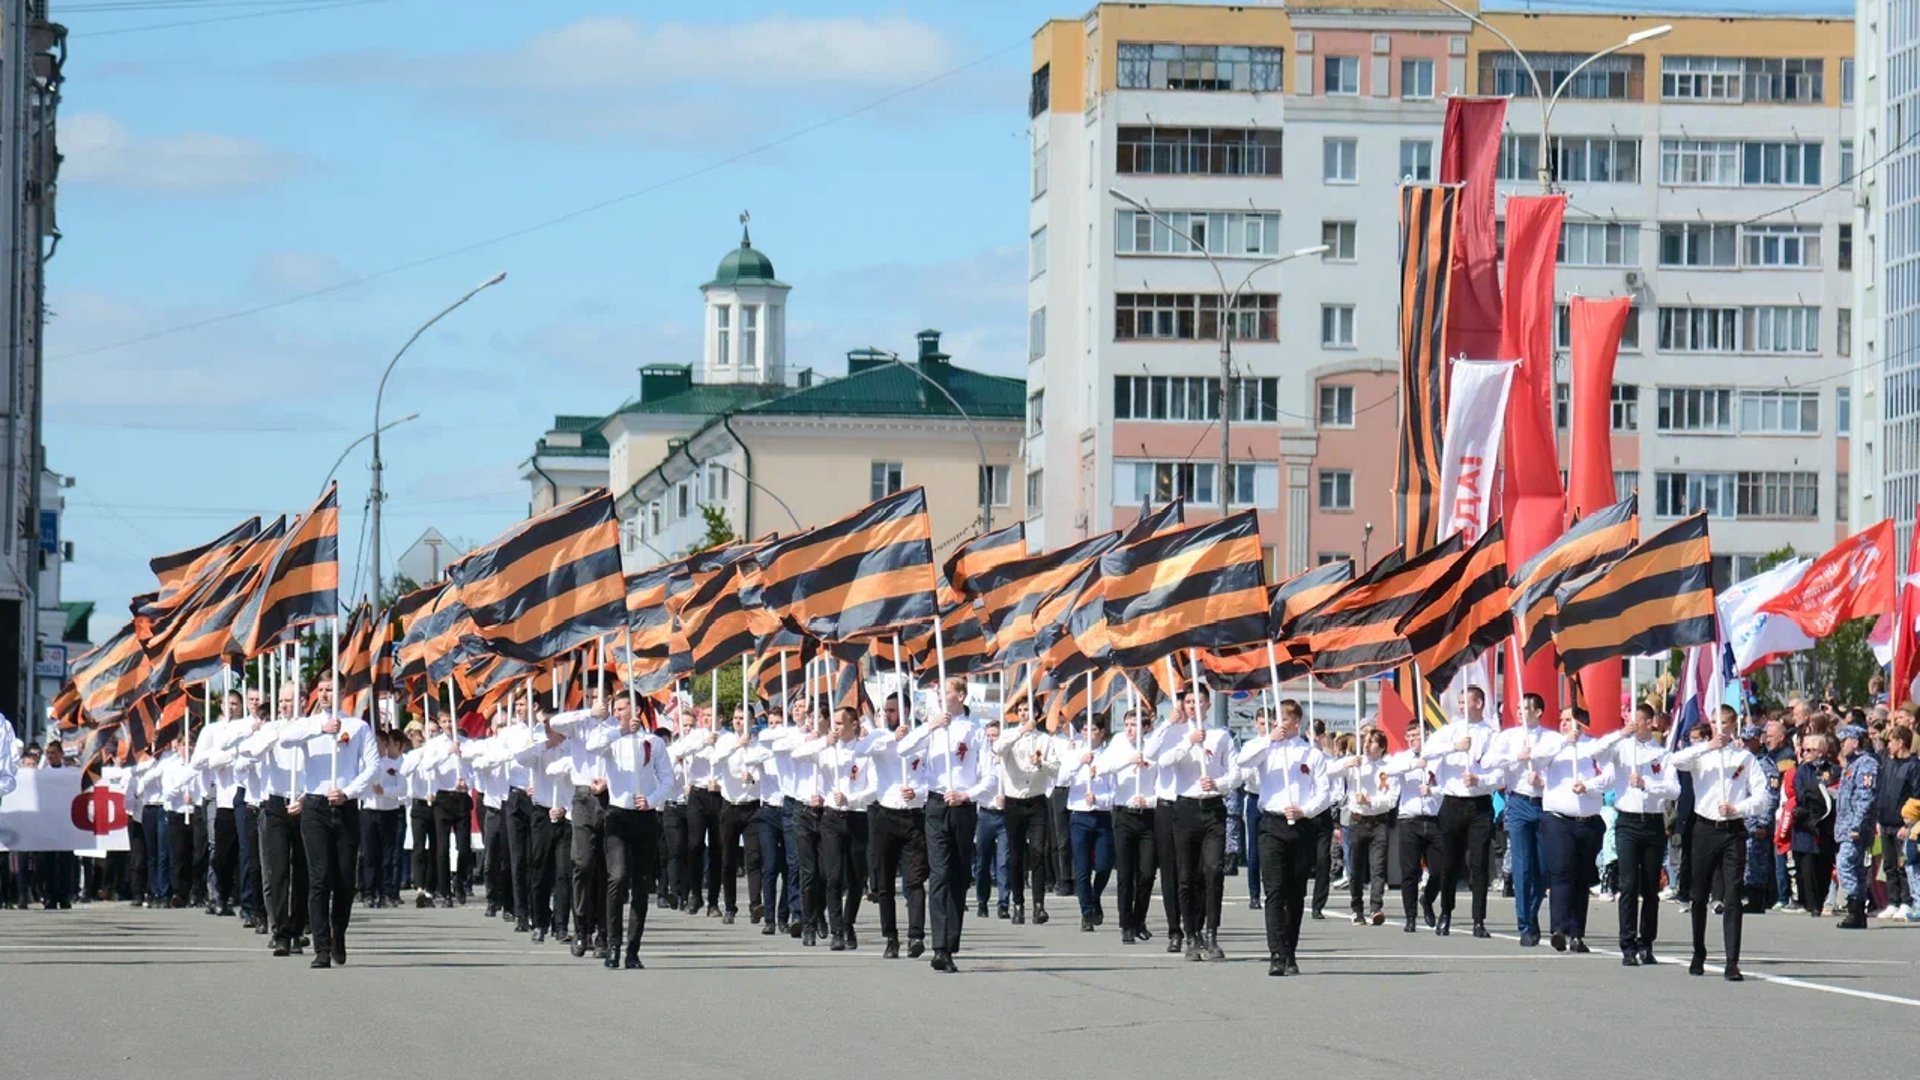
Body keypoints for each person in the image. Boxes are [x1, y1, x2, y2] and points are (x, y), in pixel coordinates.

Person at [896, 676, 993, 973]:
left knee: (959, 876)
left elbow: (989, 777)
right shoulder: (933, 729)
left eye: (945, 691)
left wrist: (967, 794)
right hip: (936, 805)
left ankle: (951, 940)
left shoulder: (975, 731)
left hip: (962, 807)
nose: (940, 695)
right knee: (938, 874)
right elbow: (903, 749)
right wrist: (930, 726)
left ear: (960, 696)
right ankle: (939, 947)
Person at [1670, 708, 1770, 981]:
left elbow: (1762, 796)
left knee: (1733, 893)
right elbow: (1675, 761)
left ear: (1733, 725)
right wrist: (1705, 746)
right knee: (1699, 894)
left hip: (1732, 829)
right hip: (1704, 828)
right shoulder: (1702, 755)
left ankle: (1732, 961)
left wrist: (1739, 807)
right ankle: (1698, 951)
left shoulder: (1744, 758)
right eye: (1715, 723)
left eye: (1724, 724)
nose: (1719, 728)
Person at [1237, 697, 1332, 976]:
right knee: (1275, 891)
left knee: (1295, 893)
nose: (1279, 724)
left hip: (1301, 825)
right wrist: (1268, 739)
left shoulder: (1311, 754)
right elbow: (1243, 759)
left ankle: (1290, 950)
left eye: (1284, 720)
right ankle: (1276, 952)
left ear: (1296, 722)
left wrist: (1306, 810)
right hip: (1271, 824)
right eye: (1275, 720)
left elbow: (1324, 793)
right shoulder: (1268, 749)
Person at [585, 694, 672, 970]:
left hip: (644, 817)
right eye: (616, 709)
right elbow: (593, 746)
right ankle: (612, 944)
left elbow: (668, 778)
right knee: (618, 877)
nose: (618, 713)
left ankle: (633, 950)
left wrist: (653, 799)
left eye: (622, 709)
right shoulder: (612, 737)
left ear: (636, 711)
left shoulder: (653, 742)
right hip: (617, 816)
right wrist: (621, 730)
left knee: (641, 885)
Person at [1590, 703, 1679, 965]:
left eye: (1638, 721)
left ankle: (1646, 942)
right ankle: (1627, 944)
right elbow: (1596, 752)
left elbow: (1674, 790)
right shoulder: (1621, 748)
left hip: (1652, 822)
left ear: (1650, 722)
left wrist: (1648, 784)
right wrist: (1619, 734)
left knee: (1650, 888)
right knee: (1628, 885)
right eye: (1631, 720)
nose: (1634, 724)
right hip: (1627, 821)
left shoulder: (1661, 754)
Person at [1154, 685, 1235, 962]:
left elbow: (1235, 772)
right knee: (1186, 877)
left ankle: (1211, 933)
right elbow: (1160, 761)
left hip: (1212, 808)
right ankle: (1191, 935)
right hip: (1185, 808)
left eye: (1198, 701)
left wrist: (1219, 783)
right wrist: (1188, 741)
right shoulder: (1176, 734)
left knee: (1213, 871)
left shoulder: (1221, 735)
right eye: (1188, 701)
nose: (1193, 706)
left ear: (1207, 704)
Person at [1420, 685, 1501, 938]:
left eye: (1468, 702)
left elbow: (1500, 772)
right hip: (1453, 803)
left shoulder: (1492, 735)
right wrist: (1454, 747)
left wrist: (1481, 781)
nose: (1463, 706)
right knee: (1449, 863)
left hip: (1480, 805)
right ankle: (1446, 913)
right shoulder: (1450, 731)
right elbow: (1425, 752)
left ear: (1480, 703)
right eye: (1461, 702)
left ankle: (1479, 920)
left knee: (1478, 863)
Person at [1485, 692, 1559, 947]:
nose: (1520, 712)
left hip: (1545, 805)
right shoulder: (1508, 738)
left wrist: (1542, 778)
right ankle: (1525, 925)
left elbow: (1558, 769)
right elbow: (1487, 761)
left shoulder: (1552, 739)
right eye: (1518, 708)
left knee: (1543, 869)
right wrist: (1516, 756)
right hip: (1518, 803)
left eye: (1526, 708)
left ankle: (1533, 911)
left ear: (1538, 712)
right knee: (1522, 866)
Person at [860, 694, 929, 959]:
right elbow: (861, 749)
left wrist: (919, 793)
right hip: (884, 816)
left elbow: (928, 776)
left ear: (907, 711)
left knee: (914, 881)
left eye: (893, 710)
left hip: (912, 817)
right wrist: (894, 737)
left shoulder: (922, 739)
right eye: (886, 710)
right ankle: (891, 937)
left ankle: (916, 935)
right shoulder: (878, 737)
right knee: (885, 882)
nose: (888, 714)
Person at [1537, 716, 1613, 953]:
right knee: (1561, 872)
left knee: (1581, 879)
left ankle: (1577, 933)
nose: (1564, 724)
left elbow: (1610, 777)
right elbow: (1536, 759)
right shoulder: (1552, 744)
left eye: (1569, 719)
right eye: (1561, 719)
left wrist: (1589, 785)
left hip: (1588, 822)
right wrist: (1564, 742)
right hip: (1558, 820)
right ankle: (1558, 928)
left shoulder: (1595, 747)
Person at [814, 706, 877, 951]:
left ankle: (849, 923)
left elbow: (874, 788)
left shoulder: (864, 753)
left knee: (856, 878)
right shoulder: (828, 750)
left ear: (853, 724)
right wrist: (821, 742)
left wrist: (851, 799)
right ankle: (837, 929)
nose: (837, 727)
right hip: (831, 818)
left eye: (841, 723)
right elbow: (797, 754)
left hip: (857, 816)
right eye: (835, 723)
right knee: (833, 876)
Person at [994, 693, 1059, 926]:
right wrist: (1020, 731)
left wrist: (1041, 763)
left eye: (1029, 710)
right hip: (1014, 802)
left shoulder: (1045, 740)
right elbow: (998, 748)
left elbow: (1055, 769)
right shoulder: (1010, 735)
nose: (1024, 714)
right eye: (1021, 710)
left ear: (1038, 714)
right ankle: (1018, 903)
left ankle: (1039, 904)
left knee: (1039, 851)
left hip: (1037, 801)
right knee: (1016, 854)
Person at [1328, 724, 1399, 925]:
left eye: (1371, 742)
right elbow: (1326, 772)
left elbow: (1391, 799)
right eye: (1365, 741)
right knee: (1355, 867)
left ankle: (1376, 907)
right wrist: (1346, 765)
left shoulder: (1389, 766)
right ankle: (1356, 907)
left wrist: (1371, 802)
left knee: (1378, 866)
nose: (1366, 745)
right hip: (1356, 821)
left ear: (1382, 746)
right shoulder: (1356, 763)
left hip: (1378, 822)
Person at [1100, 705, 1158, 944]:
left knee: (1146, 873)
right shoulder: (1118, 744)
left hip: (1149, 814)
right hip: (1124, 813)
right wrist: (1127, 761)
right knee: (1125, 873)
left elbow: (1164, 782)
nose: (1130, 730)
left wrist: (1150, 799)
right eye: (1127, 725)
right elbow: (1101, 768)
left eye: (1135, 725)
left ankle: (1139, 919)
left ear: (1146, 727)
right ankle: (1125, 924)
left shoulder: (1154, 745)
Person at [703, 704, 763, 926]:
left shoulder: (758, 743)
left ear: (751, 721)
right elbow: (715, 761)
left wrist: (754, 775)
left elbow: (764, 766)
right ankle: (729, 906)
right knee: (727, 859)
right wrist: (737, 746)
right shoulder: (727, 741)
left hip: (752, 807)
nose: (738, 722)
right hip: (729, 805)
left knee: (754, 858)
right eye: (736, 718)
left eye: (743, 718)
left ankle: (756, 904)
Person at [1389, 716, 1444, 933]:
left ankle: (1428, 899)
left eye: (1416, 735)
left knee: (1440, 869)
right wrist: (1414, 763)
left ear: (1426, 735)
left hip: (1433, 819)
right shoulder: (1402, 758)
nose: (1412, 739)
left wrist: (1432, 790)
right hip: (1409, 819)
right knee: (1409, 871)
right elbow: (1391, 770)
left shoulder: (1438, 759)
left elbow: (1447, 786)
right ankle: (1410, 917)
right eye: (1409, 735)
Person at [1062, 713, 1116, 932]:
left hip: (1102, 815)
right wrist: (1078, 762)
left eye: (1093, 729)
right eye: (1085, 729)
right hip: (1079, 815)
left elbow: (1115, 791)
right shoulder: (1073, 754)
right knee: (1082, 868)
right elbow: (1061, 779)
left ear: (1101, 732)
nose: (1088, 734)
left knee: (1103, 865)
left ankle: (1095, 896)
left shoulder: (1109, 756)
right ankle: (1086, 911)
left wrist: (1100, 799)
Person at [673, 706, 726, 918]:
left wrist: (721, 784)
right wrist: (703, 743)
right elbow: (679, 752)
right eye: (704, 716)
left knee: (717, 847)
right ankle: (695, 894)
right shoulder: (695, 736)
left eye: (711, 716)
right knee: (694, 844)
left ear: (720, 718)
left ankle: (713, 901)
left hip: (718, 795)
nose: (706, 719)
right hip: (697, 794)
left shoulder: (728, 737)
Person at [1789, 732, 1841, 919]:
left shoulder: (1833, 769)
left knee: (1824, 866)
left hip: (1826, 826)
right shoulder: (1802, 771)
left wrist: (1820, 795)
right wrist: (1818, 796)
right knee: (1807, 867)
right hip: (1806, 824)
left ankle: (1821, 899)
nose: (1806, 753)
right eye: (1804, 749)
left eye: (1811, 750)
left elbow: (1834, 788)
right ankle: (1812, 905)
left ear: (1822, 752)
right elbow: (1803, 793)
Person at [1834, 724, 1880, 929]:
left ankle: (1854, 904)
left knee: (1846, 864)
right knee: (1856, 868)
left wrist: (1856, 826)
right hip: (1846, 825)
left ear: (1855, 742)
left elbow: (1865, 797)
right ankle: (1858, 911)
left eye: (1844, 741)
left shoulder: (1867, 764)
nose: (1841, 746)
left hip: (1855, 827)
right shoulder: (1852, 764)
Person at [1876, 727, 1918, 918]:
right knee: (1889, 865)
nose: (1888, 745)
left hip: (1902, 824)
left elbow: (1916, 796)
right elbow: (1882, 792)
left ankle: (1907, 901)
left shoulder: (1913, 766)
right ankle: (1893, 901)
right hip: (1885, 822)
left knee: (1904, 865)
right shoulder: (1887, 763)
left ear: (1901, 742)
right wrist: (1878, 818)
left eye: (1891, 741)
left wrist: (1907, 824)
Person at [972, 720, 1010, 919]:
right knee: (983, 861)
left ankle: (1004, 903)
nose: (991, 739)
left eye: (994, 736)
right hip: (985, 814)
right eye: (988, 736)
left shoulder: (1007, 757)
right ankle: (982, 900)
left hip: (1004, 815)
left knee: (1004, 861)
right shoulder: (978, 760)